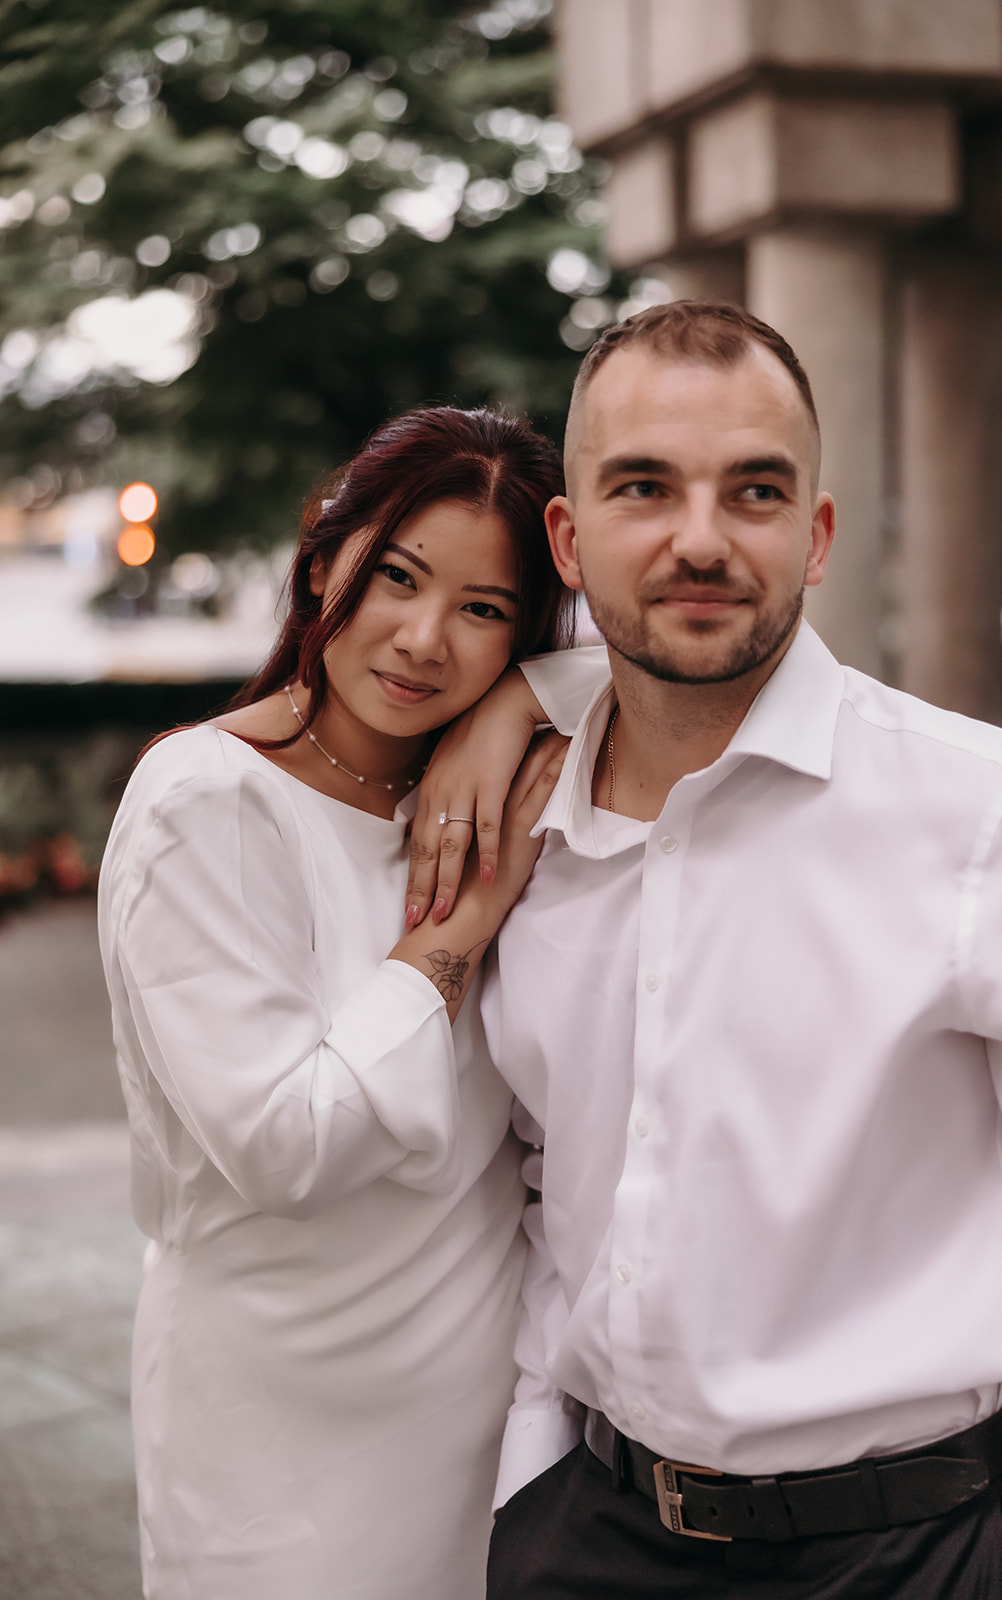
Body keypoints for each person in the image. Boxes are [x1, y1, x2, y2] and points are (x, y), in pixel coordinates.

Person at [419, 302, 1002, 1600]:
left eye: (753, 491)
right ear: (569, 535)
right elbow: (546, 1182)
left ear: (814, 537)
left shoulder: (989, 818)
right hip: (585, 1536)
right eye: (641, 488)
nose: (698, 540)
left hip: (915, 1554)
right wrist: (527, 1481)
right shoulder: (516, 831)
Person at [96, 405, 575, 1600]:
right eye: (397, 578)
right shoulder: (204, 800)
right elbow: (284, 1145)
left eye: (483, 610)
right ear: (322, 565)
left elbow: (699, 651)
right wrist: (456, 932)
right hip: (274, 1415)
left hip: (485, 1414)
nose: (423, 640)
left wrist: (516, 705)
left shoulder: (482, 788)